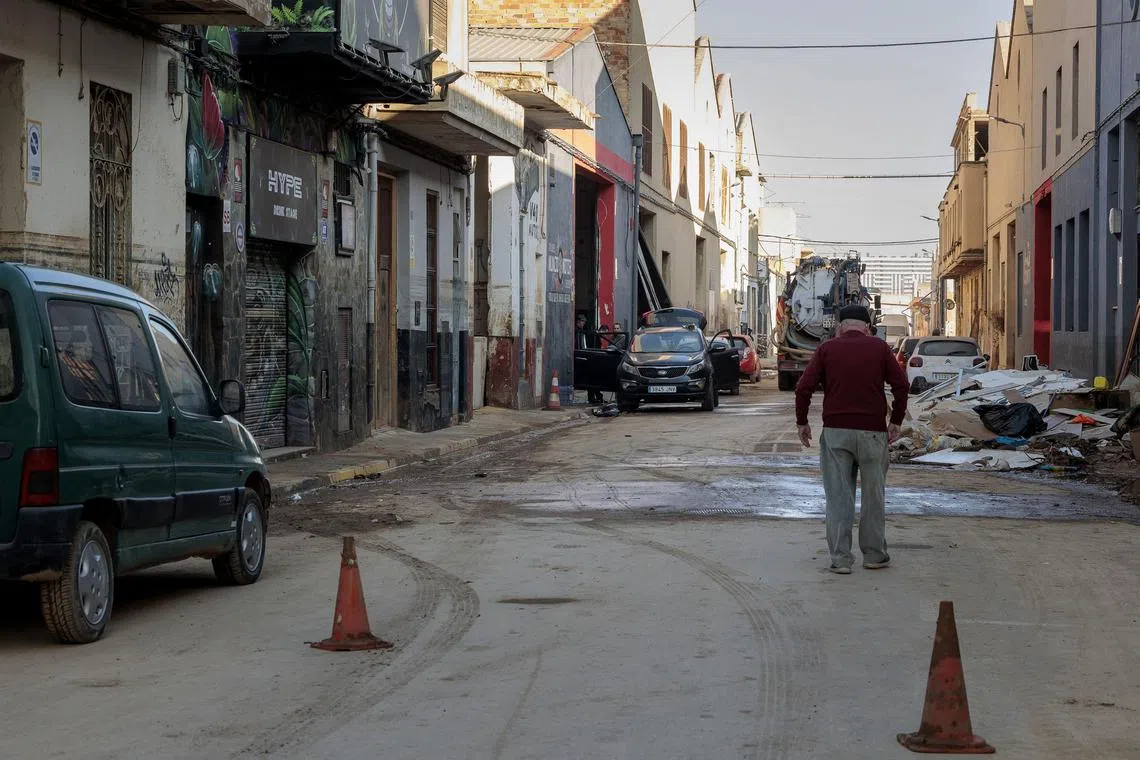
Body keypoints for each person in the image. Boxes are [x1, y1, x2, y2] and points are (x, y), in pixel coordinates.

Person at [794, 305, 909, 575]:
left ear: (840, 327)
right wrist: (896, 421)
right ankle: (874, 555)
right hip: (872, 433)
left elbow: (803, 388)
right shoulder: (879, 349)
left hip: (836, 433)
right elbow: (901, 386)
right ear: (867, 328)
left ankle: (841, 559)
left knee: (838, 497)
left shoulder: (826, 349)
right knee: (873, 496)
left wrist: (802, 422)